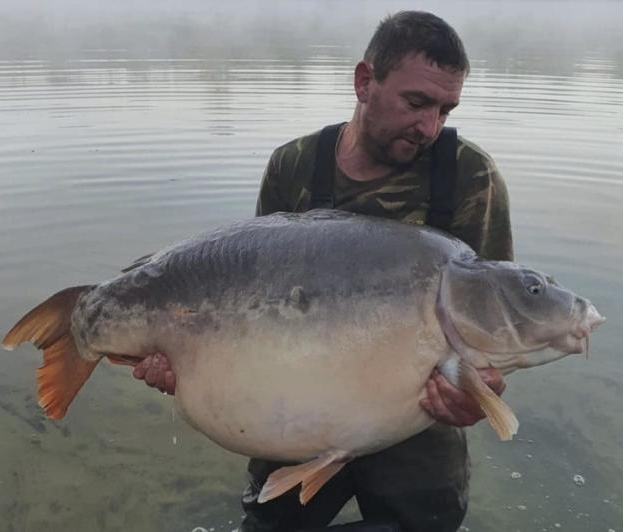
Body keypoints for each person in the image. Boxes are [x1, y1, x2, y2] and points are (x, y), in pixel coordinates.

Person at [133, 11, 511, 532]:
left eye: (445, 109)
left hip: (415, 417)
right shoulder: (294, 165)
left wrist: (481, 393)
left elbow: (495, 321)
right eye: (416, 102)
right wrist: (188, 358)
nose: (430, 127)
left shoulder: (470, 176)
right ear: (364, 81)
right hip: (298, 402)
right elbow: (249, 305)